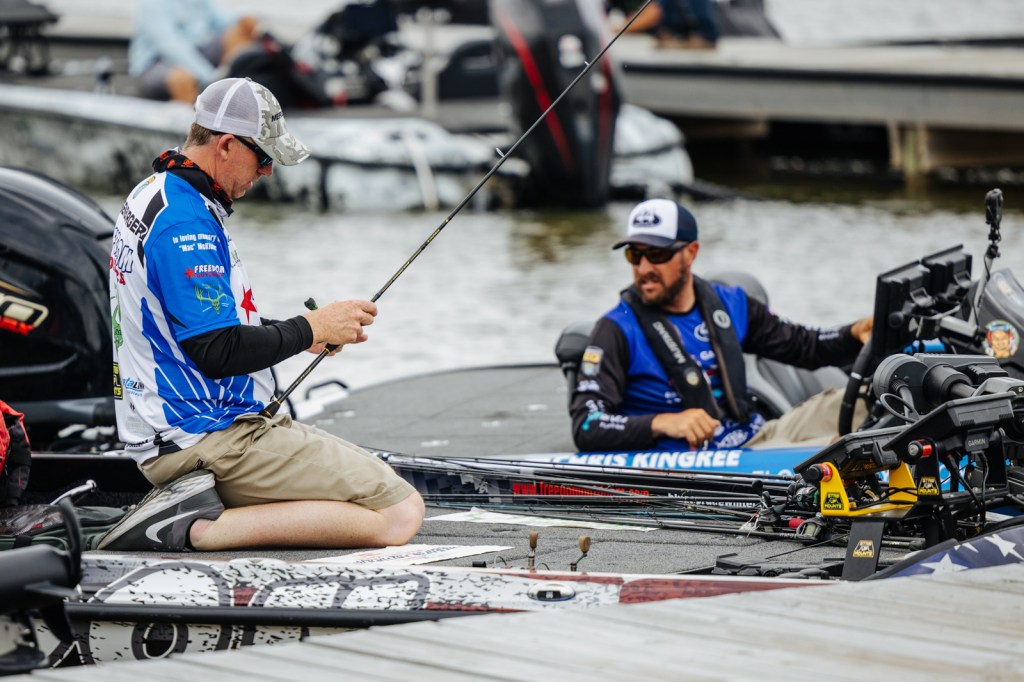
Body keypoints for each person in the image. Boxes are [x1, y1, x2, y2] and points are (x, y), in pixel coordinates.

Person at [99, 77, 424, 552]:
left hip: (181, 429)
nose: (268, 172)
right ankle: (189, 527)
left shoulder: (158, 192)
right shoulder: (186, 225)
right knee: (399, 512)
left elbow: (195, 327)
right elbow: (216, 351)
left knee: (381, 487)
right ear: (227, 145)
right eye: (263, 157)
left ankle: (200, 512)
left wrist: (302, 334)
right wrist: (309, 327)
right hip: (204, 436)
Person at [570, 198, 872, 452]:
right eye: (634, 255)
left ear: (691, 252)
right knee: (846, 450)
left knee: (878, 398)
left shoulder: (731, 303)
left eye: (657, 254)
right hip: (706, 461)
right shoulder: (615, 328)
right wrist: (662, 422)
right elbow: (587, 424)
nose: (644, 268)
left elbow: (805, 346)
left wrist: (854, 333)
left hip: (757, 436)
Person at [129, 0, 260, 103]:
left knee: (241, 30)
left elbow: (221, 21)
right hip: (158, 62)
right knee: (182, 78)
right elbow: (172, 48)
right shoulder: (152, 4)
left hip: (199, 51)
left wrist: (245, 21)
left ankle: (233, 91)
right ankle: (192, 122)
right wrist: (209, 76)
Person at [611, 0, 720, 49]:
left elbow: (653, 14)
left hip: (701, 40)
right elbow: (650, 9)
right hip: (688, 36)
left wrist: (617, 29)